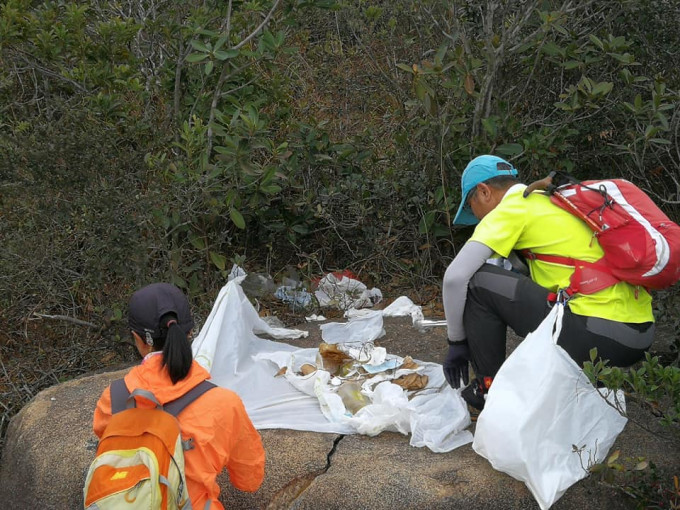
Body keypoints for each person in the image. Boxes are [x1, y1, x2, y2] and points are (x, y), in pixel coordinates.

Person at [442, 155, 655, 410]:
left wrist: (457, 342)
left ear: (484, 191)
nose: (476, 218)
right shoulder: (554, 201)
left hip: (594, 334)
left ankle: (489, 388)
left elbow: (455, 278)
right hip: (638, 336)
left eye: (471, 207)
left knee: (477, 281)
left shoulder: (513, 208)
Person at [93, 283, 265, 509]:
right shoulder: (224, 403)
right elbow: (249, 480)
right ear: (191, 333)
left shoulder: (113, 398)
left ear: (137, 338)